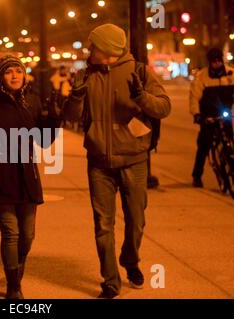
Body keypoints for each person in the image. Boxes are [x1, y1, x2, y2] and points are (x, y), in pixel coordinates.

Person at [63, 24, 171, 298]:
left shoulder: (140, 72)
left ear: (108, 48)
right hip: (99, 161)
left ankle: (130, 260)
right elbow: (72, 118)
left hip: (134, 159)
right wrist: (75, 96)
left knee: (136, 220)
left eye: (94, 46)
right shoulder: (87, 74)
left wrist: (141, 97)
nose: (90, 50)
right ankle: (111, 281)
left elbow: (163, 107)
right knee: (103, 225)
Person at [0, 55, 62, 299]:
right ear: (0, 77)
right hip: (0, 175)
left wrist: (53, 118)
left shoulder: (33, 102)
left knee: (27, 235)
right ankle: (13, 286)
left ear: (24, 75)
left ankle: (17, 274)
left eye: (18, 71)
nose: (14, 75)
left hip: (27, 175)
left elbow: (44, 141)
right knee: (11, 233)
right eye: (8, 72)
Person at [189, 48, 234, 188]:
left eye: (219, 60)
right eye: (213, 61)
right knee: (204, 145)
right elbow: (194, 97)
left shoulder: (231, 73)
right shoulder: (202, 76)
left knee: (230, 142)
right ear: (210, 62)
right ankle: (197, 176)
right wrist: (197, 114)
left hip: (225, 113)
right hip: (208, 115)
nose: (216, 63)